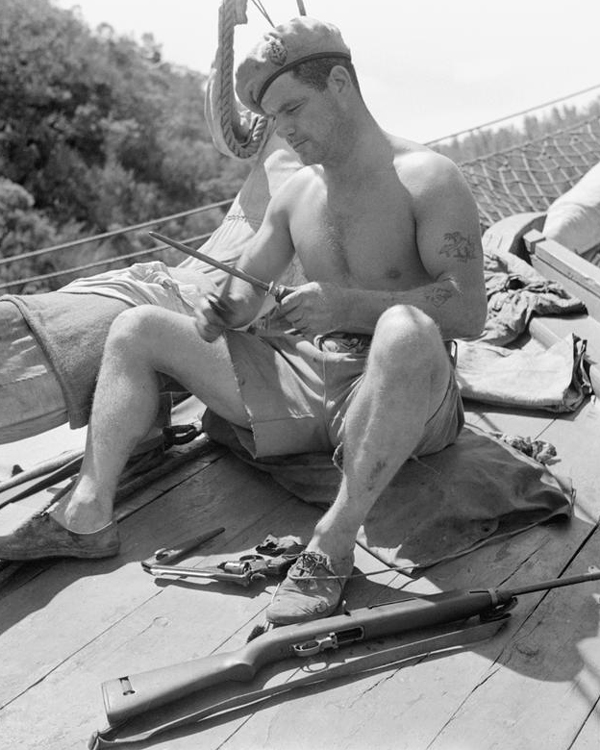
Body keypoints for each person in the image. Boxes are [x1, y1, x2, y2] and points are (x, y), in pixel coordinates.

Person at [0, 17, 487, 625]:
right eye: (274, 118)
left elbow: (468, 312)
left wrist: (346, 304)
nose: (283, 131)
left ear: (340, 83)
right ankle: (86, 516)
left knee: (407, 331)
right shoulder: (296, 195)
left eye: (292, 109)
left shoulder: (429, 179)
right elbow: (242, 291)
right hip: (312, 378)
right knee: (140, 327)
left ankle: (332, 548)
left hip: (405, 389)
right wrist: (224, 309)